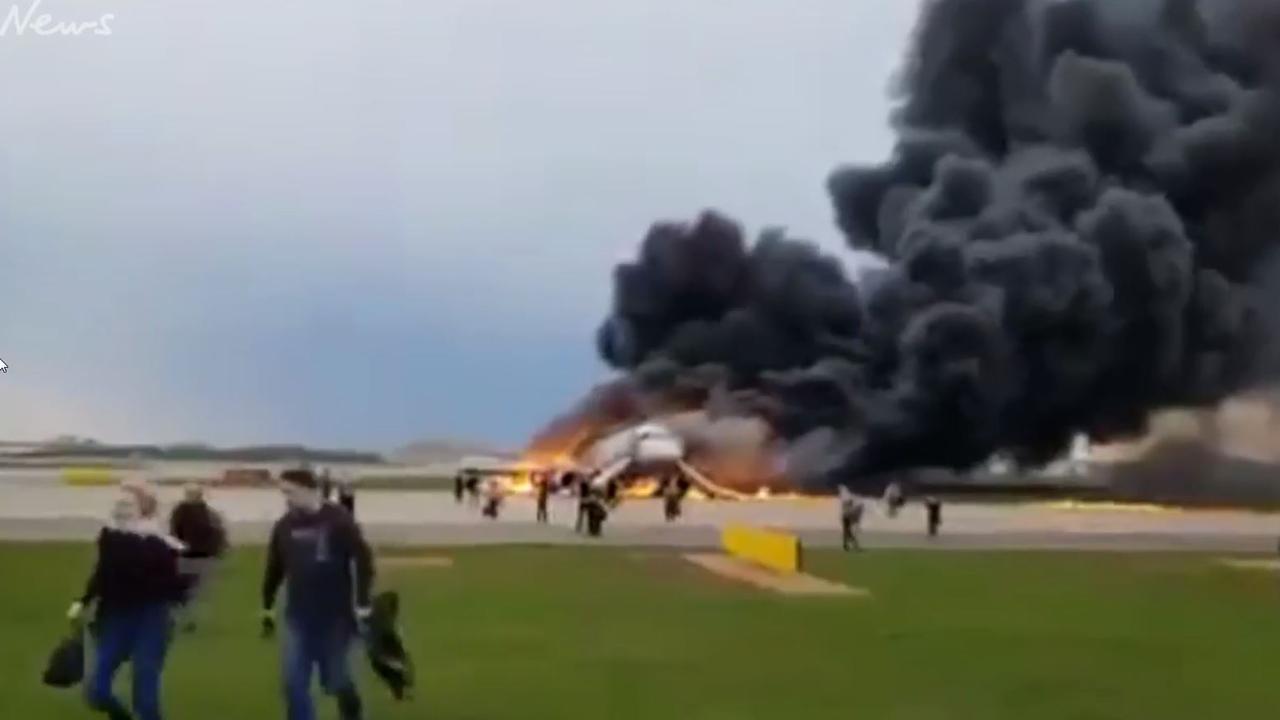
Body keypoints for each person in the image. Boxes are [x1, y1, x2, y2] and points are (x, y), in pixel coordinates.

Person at [262, 468, 375, 720]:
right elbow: (275, 567)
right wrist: (267, 605)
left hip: (336, 617)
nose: (287, 499)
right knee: (293, 683)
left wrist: (363, 602)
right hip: (299, 617)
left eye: (290, 492)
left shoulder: (339, 520)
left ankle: (352, 713)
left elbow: (363, 560)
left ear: (310, 490)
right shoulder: (284, 525)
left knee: (337, 680)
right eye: (284, 493)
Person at [69, 485, 185, 720]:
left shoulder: (160, 541)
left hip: (151, 616)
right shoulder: (109, 537)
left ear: (143, 509)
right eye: (119, 503)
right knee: (96, 690)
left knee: (145, 688)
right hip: (114, 616)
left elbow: (173, 584)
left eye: (129, 504)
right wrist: (84, 601)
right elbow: (102, 572)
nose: (122, 508)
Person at [168, 483, 228, 631]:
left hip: (195, 557)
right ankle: (185, 619)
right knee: (189, 591)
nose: (191, 496)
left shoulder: (183, 512)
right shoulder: (206, 514)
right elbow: (219, 533)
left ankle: (186, 620)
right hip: (192, 557)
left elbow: (173, 533)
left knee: (189, 591)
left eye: (192, 493)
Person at [839, 486, 864, 552]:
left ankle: (848, 546)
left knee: (847, 533)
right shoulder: (847, 505)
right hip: (846, 518)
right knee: (848, 533)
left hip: (846, 518)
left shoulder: (847, 505)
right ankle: (853, 546)